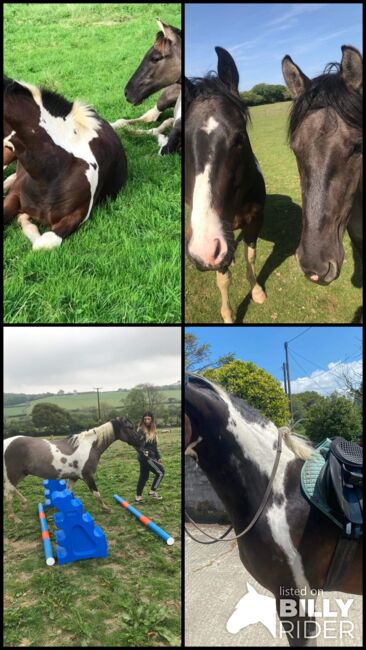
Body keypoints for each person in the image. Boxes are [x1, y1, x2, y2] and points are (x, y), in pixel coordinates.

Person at [135, 411, 165, 503]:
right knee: (161, 472)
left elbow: (154, 446)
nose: (146, 421)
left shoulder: (153, 430)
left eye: (148, 419)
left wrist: (158, 457)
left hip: (151, 456)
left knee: (144, 476)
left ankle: (138, 497)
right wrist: (144, 451)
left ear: (152, 420)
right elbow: (137, 445)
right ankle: (152, 492)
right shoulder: (140, 430)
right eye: (145, 419)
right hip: (146, 457)